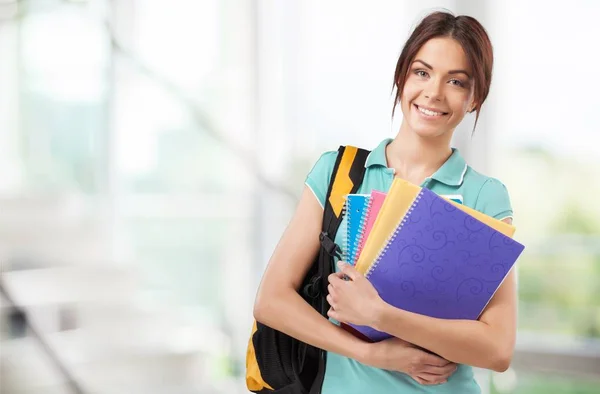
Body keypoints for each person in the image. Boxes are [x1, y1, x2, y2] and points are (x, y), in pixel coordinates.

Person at [253, 10, 516, 394]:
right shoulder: (338, 173)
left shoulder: (485, 196)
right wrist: (373, 354)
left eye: (456, 81)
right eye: (422, 73)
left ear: (475, 98)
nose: (434, 93)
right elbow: (271, 301)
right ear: (401, 76)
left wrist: (382, 316)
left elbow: (498, 349)